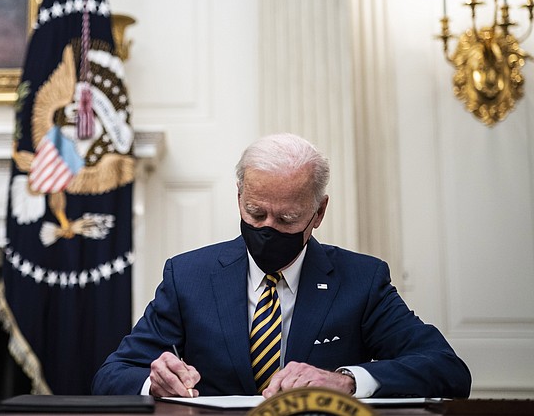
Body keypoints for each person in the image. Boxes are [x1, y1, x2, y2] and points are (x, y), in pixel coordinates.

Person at [92, 133, 471, 399]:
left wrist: (347, 381)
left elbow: (446, 370)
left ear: (318, 212)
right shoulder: (188, 277)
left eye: (287, 218)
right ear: (239, 197)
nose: (267, 229)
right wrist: (154, 382)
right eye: (255, 213)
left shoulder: (361, 281)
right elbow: (111, 375)